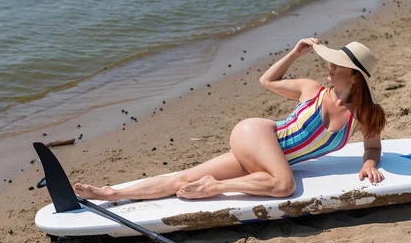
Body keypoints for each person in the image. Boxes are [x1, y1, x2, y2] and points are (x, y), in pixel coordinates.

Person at [74, 38, 387, 201]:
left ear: (355, 78)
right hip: (259, 136)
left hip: (266, 159)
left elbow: (372, 148)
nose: (329, 67)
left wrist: (369, 164)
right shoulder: (312, 89)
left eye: (337, 65)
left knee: (183, 179)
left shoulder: (365, 115)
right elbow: (267, 80)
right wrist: (294, 54)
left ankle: (110, 192)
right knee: (283, 185)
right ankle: (214, 187)